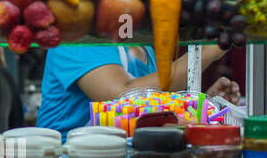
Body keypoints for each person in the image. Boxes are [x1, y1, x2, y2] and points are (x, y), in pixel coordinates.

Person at [38, 45, 242, 137]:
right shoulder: (80, 41)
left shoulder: (144, 49)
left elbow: (149, 113)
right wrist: (207, 52)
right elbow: (122, 99)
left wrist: (208, 107)